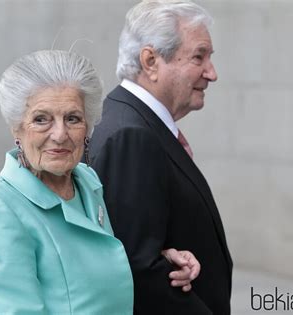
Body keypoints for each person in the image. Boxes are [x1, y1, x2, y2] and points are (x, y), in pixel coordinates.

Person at [0, 50, 202, 314]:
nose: (60, 134)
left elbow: (92, 261)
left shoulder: (86, 180)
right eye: (41, 119)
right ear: (16, 127)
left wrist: (161, 258)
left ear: (87, 127)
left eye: (72, 118)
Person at [89, 1, 233, 314]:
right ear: (151, 61)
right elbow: (138, 269)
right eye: (199, 56)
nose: (212, 73)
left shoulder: (134, 122)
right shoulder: (131, 135)